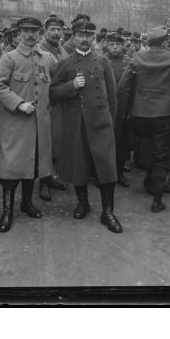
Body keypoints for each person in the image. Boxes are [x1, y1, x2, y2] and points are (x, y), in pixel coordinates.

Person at [50, 18, 123, 233]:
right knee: (78, 164)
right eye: (80, 35)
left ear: (93, 38)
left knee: (107, 167)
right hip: (76, 122)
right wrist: (71, 86)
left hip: (101, 122)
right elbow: (52, 93)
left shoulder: (103, 61)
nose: (84, 39)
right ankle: (83, 203)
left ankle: (108, 211)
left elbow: (112, 95)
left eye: (88, 36)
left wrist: (112, 121)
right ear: (73, 37)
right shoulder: (65, 63)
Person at [0, 17, 54, 232]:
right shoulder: (9, 58)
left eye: (34, 31)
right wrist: (18, 104)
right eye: (26, 31)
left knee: (33, 166)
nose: (30, 35)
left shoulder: (47, 58)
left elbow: (60, 77)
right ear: (18, 34)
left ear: (40, 33)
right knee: (11, 168)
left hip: (39, 124)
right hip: (16, 123)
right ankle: (7, 210)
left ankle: (26, 203)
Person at [118, 26, 170, 213]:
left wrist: (125, 111)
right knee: (160, 157)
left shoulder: (137, 58)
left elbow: (123, 87)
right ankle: (157, 200)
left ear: (148, 42)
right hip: (164, 114)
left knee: (144, 148)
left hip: (139, 114)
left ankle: (149, 181)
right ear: (165, 41)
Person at [37, 14, 69, 201]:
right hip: (45, 104)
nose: (56, 33)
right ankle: (43, 183)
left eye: (59, 29)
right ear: (45, 32)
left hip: (60, 104)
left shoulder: (62, 50)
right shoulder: (40, 50)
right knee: (44, 145)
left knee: (56, 144)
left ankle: (51, 177)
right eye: (53, 30)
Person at [105, 31, 131, 188]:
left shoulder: (129, 62)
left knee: (122, 142)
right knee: (104, 141)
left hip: (123, 108)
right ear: (106, 45)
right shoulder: (101, 60)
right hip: (105, 107)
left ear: (123, 46)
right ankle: (103, 173)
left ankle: (119, 172)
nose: (115, 48)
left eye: (118, 44)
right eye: (111, 44)